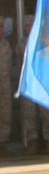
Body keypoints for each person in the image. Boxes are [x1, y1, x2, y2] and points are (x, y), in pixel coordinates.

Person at [16, 16, 49, 155]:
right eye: (27, 26)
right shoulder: (21, 44)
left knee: (46, 114)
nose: (29, 28)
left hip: (43, 85)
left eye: (31, 25)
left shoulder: (45, 42)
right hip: (29, 85)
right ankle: (32, 143)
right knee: (29, 115)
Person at [0, 18, 12, 157]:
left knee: (5, 115)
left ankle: (3, 144)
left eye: (1, 27)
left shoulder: (6, 45)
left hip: (4, 85)